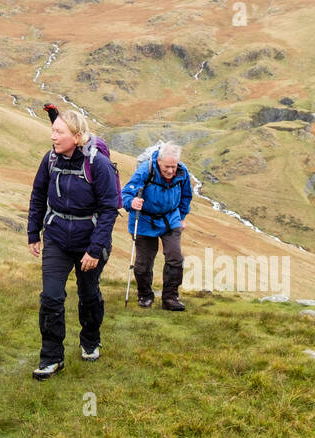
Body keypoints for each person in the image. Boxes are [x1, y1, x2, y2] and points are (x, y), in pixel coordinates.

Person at [27, 109, 119, 379]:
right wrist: (34, 233)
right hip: (56, 238)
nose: (52, 136)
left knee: (88, 294)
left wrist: (94, 249)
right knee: (51, 297)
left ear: (77, 137)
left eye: (59, 132)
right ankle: (51, 358)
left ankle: (90, 340)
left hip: (89, 241)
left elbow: (109, 208)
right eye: (53, 130)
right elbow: (38, 195)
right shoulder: (50, 160)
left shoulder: (97, 164)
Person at [121, 143, 192, 310]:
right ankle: (145, 295)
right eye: (167, 166)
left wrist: (181, 217)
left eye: (173, 167)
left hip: (170, 218)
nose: (170, 171)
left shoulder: (182, 172)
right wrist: (132, 202)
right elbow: (126, 193)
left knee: (175, 257)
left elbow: (186, 195)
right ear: (159, 162)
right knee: (143, 263)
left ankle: (170, 298)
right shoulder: (146, 171)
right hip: (145, 220)